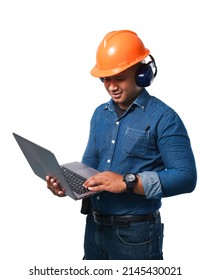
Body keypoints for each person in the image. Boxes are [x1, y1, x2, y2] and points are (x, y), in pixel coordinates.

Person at [46, 30, 197, 260]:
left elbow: (186, 177)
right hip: (94, 229)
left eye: (119, 77)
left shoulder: (165, 118)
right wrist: (68, 185)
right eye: (105, 78)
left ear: (142, 74)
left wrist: (128, 182)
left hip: (135, 237)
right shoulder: (99, 114)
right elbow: (90, 165)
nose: (111, 86)